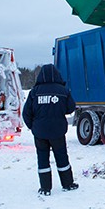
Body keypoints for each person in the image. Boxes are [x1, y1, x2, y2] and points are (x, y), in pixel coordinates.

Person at [23, 64, 78, 195]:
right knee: (62, 157)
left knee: (42, 158)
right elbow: (71, 108)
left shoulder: (34, 92)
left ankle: (45, 188)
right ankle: (68, 184)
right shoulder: (63, 91)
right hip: (57, 132)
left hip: (40, 133)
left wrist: (33, 127)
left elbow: (26, 113)